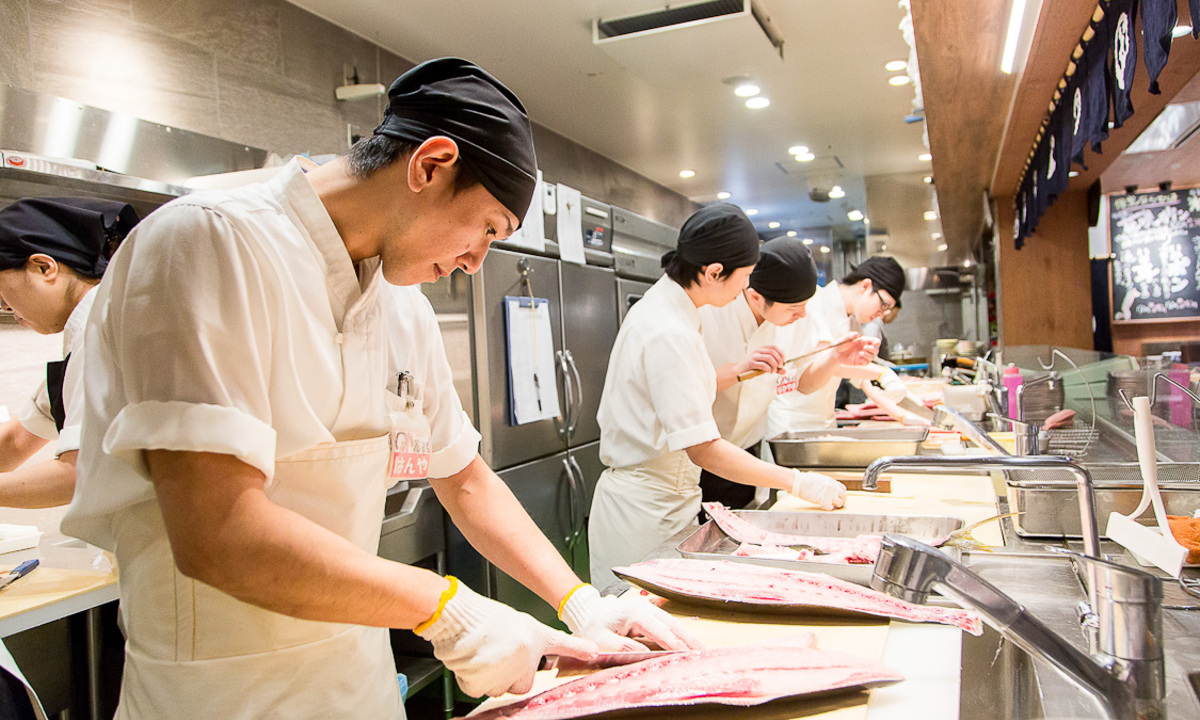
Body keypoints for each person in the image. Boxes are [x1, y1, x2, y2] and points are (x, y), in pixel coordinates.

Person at [61, 58, 697, 719]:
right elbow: (217, 531)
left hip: (356, 681)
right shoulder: (209, 242)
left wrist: (580, 604)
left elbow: (464, 478)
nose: (478, 262)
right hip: (216, 692)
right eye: (487, 228)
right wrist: (445, 608)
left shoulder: (403, 310)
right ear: (429, 165)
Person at [588, 205, 870, 588]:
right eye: (744, 279)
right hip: (644, 511)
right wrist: (796, 482)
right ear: (713, 272)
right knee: (641, 635)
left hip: (671, 500)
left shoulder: (680, 310)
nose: (746, 290)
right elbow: (703, 447)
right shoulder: (669, 329)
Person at [698, 236, 872, 509]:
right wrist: (739, 370)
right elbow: (684, 386)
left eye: (805, 305)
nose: (802, 315)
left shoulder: (799, 317)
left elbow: (801, 383)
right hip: (701, 455)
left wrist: (834, 357)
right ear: (755, 297)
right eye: (794, 308)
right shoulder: (711, 312)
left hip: (748, 451)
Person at [0, 198, 137, 508]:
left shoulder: (106, 331)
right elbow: (16, 440)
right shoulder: (92, 326)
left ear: (44, 267)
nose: (6, 308)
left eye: (0, 290)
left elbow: (77, 476)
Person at [767, 256, 907, 437]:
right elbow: (830, 364)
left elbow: (862, 381)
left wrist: (904, 417)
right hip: (792, 422)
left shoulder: (853, 322)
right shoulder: (815, 302)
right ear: (865, 286)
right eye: (884, 305)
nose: (881, 314)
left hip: (823, 422)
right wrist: (882, 373)